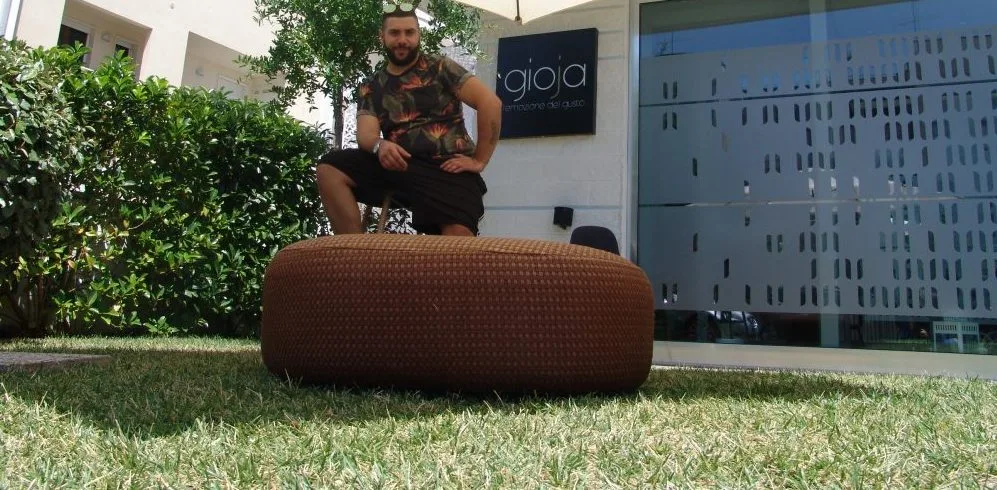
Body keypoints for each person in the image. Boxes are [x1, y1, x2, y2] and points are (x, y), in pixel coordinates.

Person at [315, 1, 502, 236]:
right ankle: (353, 251)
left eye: (409, 32)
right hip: (397, 166)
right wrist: (380, 145)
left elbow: (490, 104)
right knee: (329, 168)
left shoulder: (440, 67)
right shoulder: (372, 85)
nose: (402, 40)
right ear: (382, 37)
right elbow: (365, 134)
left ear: (418, 35)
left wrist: (479, 160)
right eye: (394, 33)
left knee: (457, 247)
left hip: (447, 167)